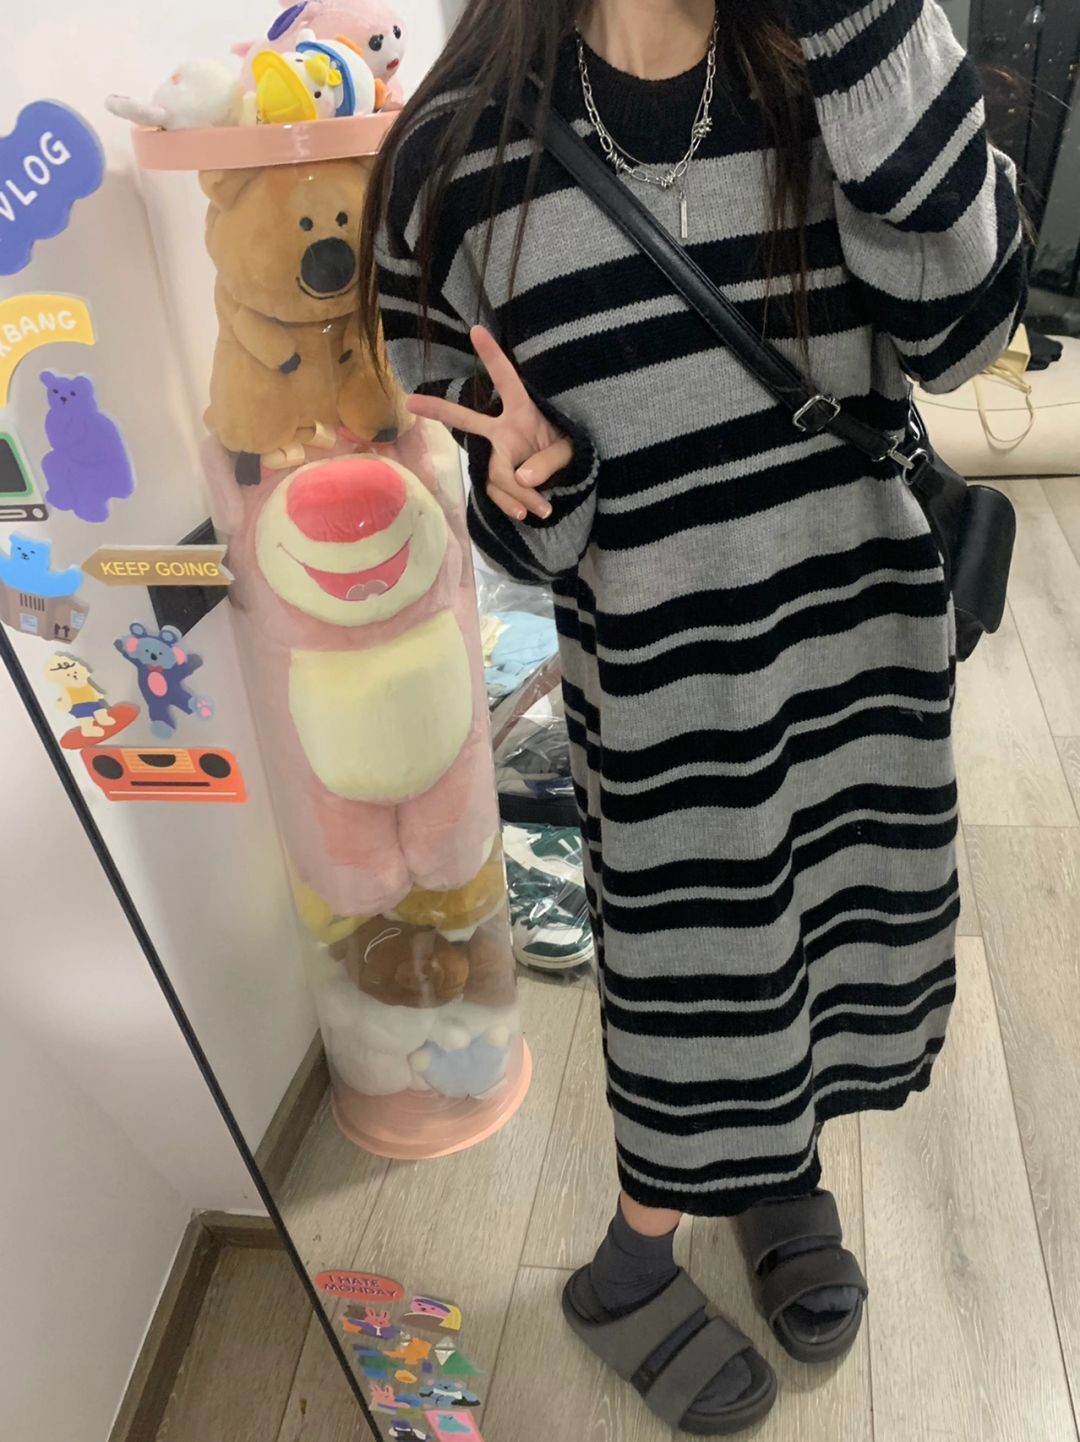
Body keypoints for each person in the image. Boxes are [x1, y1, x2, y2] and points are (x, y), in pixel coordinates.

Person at [362, 0, 1026, 1431]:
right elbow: (516, 515)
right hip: (669, 691)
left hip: (855, 653)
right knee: (694, 989)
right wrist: (531, 484)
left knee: (828, 943)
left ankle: (778, 1171)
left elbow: (970, 330)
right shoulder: (454, 159)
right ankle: (628, 1263)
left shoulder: (845, 69)